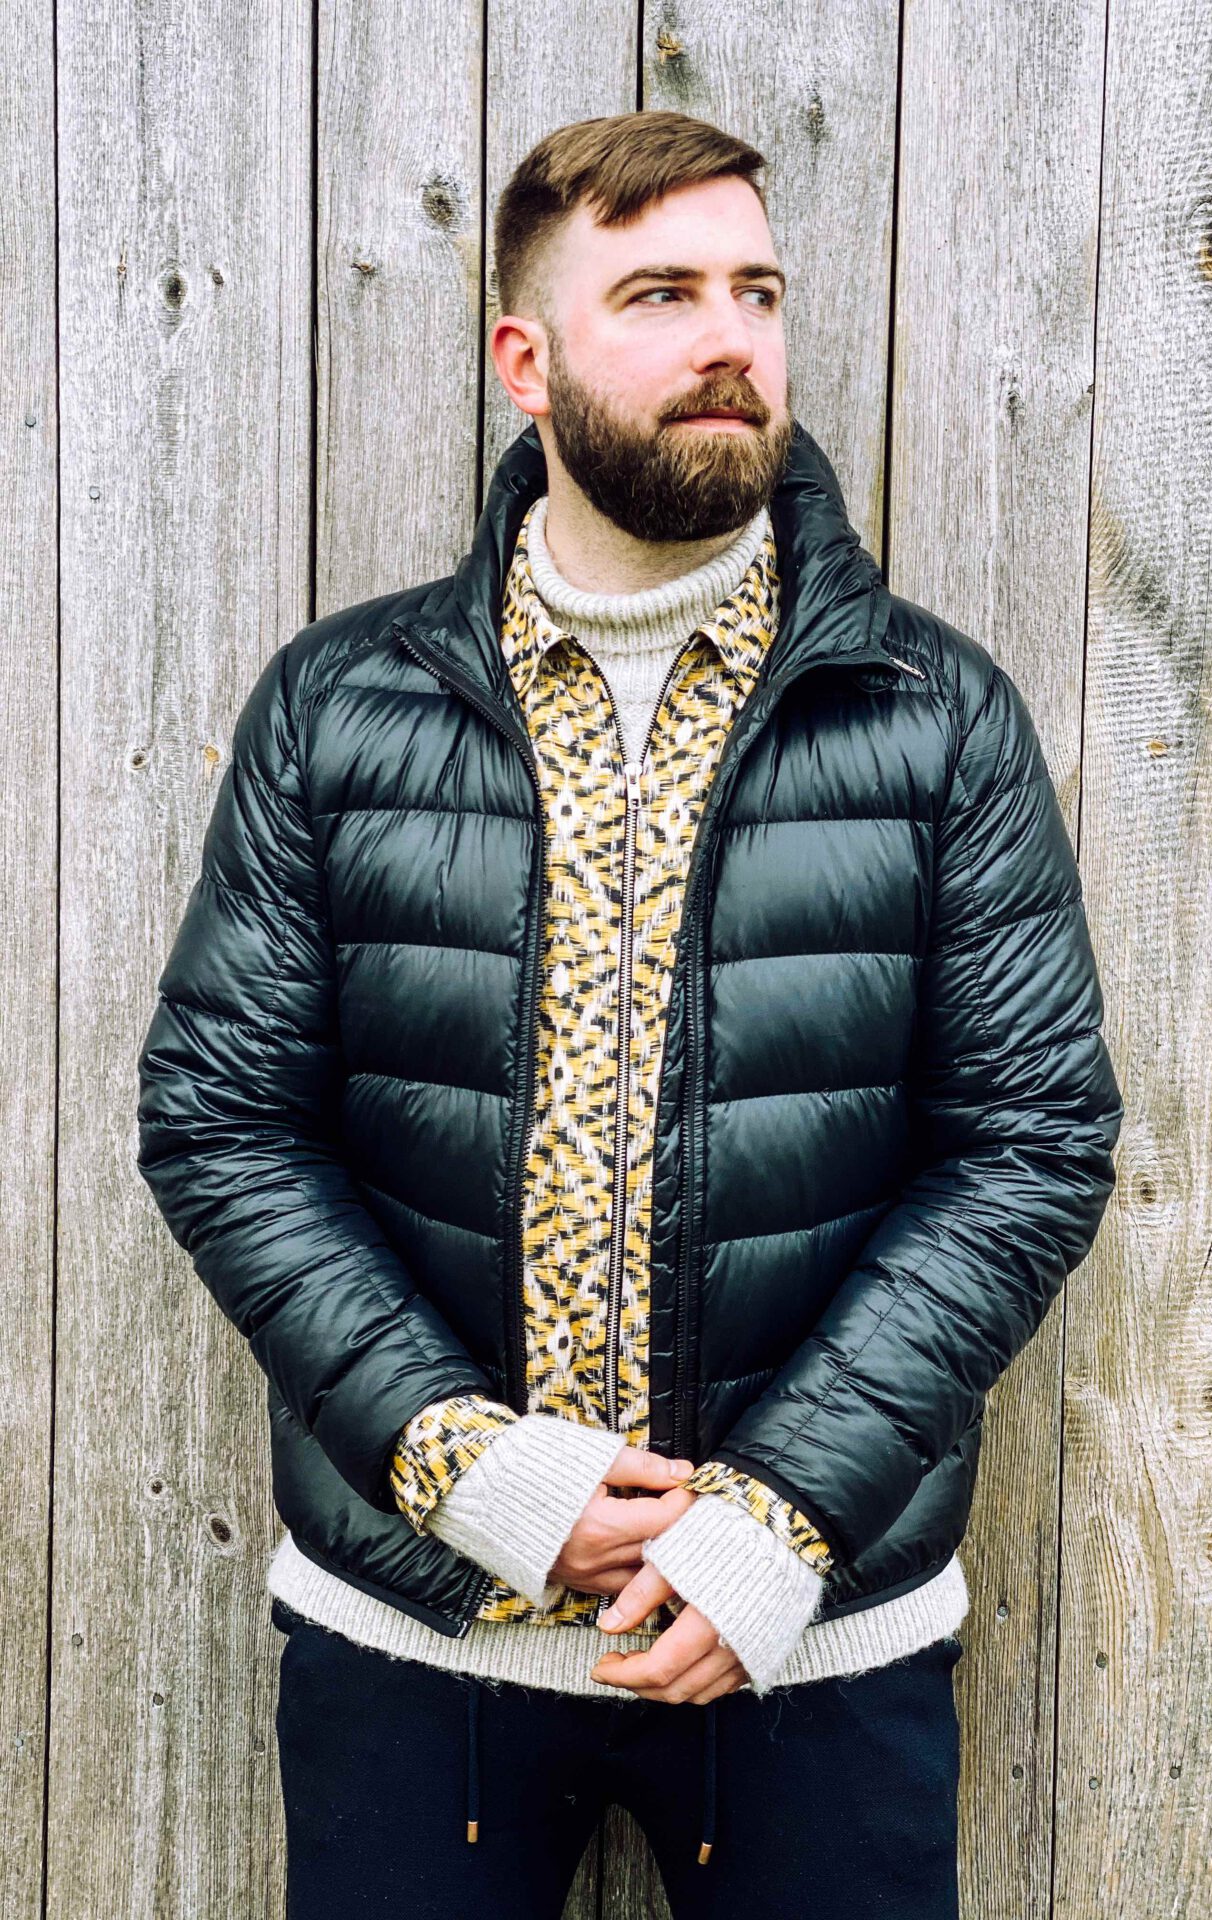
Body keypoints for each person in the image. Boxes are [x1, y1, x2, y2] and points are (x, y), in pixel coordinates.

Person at [136, 107, 1123, 1920]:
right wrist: (466, 1466)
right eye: (660, 294)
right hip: (415, 1630)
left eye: (757, 291)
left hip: (813, 1638)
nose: (729, 338)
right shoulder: (339, 708)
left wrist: (779, 1519)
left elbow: (1031, 1145)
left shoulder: (937, 717)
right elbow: (222, 1121)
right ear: (527, 362)